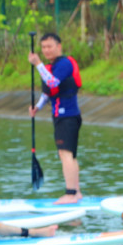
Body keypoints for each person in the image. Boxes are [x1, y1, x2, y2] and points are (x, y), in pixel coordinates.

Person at [28, 33, 82, 205]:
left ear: (59, 46)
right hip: (64, 116)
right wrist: (38, 107)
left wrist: (38, 64)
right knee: (69, 156)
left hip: (67, 116)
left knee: (65, 154)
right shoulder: (52, 66)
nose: (46, 50)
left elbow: (52, 83)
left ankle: (70, 194)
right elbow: (48, 92)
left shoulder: (64, 63)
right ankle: (77, 193)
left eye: (49, 46)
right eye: (43, 47)